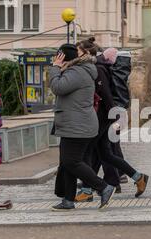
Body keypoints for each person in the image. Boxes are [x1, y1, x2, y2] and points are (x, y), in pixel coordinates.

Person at [74, 40, 149, 202]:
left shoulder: (98, 68)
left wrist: (113, 116)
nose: (76, 55)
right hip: (104, 117)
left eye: (78, 52)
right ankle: (138, 177)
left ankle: (87, 190)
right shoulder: (96, 67)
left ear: (87, 53)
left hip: (102, 118)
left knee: (89, 152)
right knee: (105, 153)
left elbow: (106, 94)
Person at [50, 43, 115, 211]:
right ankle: (68, 200)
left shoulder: (76, 72)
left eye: (57, 56)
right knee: (67, 163)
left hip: (77, 125)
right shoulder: (78, 71)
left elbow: (57, 88)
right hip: (75, 123)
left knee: (71, 161)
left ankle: (103, 187)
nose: (55, 59)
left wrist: (55, 68)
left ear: (62, 57)